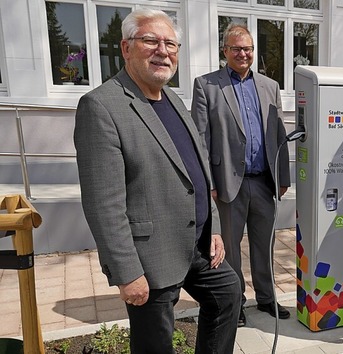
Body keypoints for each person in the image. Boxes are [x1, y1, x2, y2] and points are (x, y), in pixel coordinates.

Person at [74, 9, 241, 353]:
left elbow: (196, 171)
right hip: (151, 256)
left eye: (170, 44)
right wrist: (126, 271)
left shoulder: (173, 100)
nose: (162, 51)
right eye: (150, 40)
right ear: (126, 47)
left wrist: (213, 227)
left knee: (227, 293)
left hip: (195, 244)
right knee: (155, 345)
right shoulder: (102, 106)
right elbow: (102, 201)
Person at [191, 24, 291, 327]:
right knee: (229, 248)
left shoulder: (269, 86)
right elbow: (200, 138)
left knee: (265, 244)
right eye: (236, 48)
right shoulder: (206, 85)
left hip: (264, 181)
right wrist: (207, 183)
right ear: (225, 51)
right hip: (226, 185)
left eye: (247, 48)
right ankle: (235, 302)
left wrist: (283, 176)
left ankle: (266, 297)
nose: (243, 53)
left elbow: (279, 133)